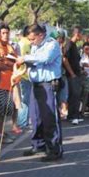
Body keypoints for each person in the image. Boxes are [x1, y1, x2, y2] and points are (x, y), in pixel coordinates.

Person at [16, 24, 63, 162]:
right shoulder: (36, 45)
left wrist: (25, 58)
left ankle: (54, 149)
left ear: (40, 35)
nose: (31, 42)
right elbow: (35, 61)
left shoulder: (51, 44)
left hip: (48, 84)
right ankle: (38, 144)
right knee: (35, 117)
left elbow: (45, 58)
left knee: (49, 118)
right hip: (36, 84)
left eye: (32, 39)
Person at [66, 26, 86, 125]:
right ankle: (73, 116)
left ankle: (73, 115)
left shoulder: (74, 45)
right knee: (75, 95)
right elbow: (65, 59)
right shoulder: (69, 44)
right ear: (77, 34)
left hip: (76, 73)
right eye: (82, 34)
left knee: (76, 95)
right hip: (72, 75)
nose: (83, 36)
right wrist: (72, 73)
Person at [16, 25, 32, 130]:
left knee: (25, 98)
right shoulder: (26, 43)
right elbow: (27, 60)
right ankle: (22, 122)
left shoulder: (21, 43)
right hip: (25, 75)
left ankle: (24, 121)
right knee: (25, 99)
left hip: (22, 74)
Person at [55, 30, 69, 120]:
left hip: (62, 75)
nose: (59, 40)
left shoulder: (62, 47)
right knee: (58, 95)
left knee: (63, 95)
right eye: (58, 38)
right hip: (56, 76)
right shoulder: (54, 48)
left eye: (61, 38)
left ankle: (63, 112)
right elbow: (63, 60)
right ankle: (60, 112)